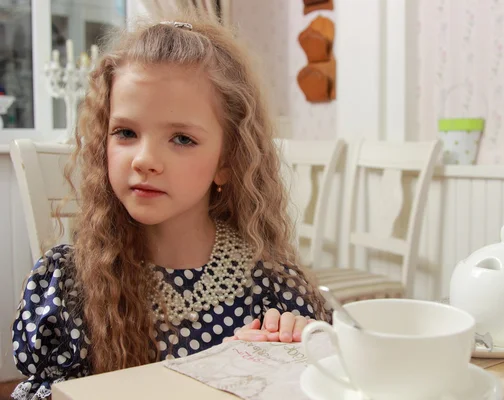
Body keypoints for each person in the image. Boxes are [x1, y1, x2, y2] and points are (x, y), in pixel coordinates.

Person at [10, 14, 329, 400]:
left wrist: (285, 356)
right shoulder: (70, 286)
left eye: (181, 138)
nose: (144, 159)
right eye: (125, 132)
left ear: (227, 162)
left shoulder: (271, 288)